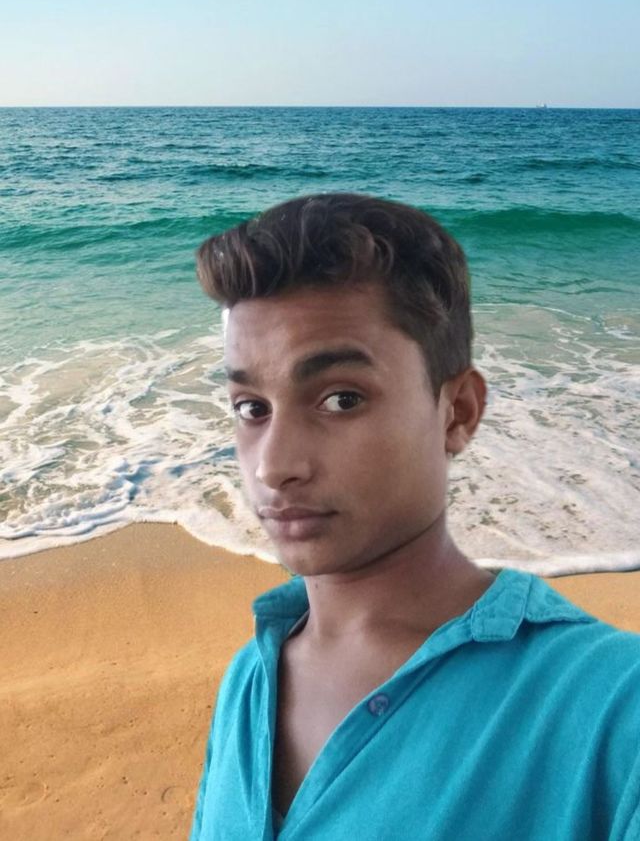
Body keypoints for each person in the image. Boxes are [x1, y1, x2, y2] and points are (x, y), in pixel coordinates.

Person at [189, 194, 640, 840]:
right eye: (251, 408)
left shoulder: (612, 708)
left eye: (341, 399)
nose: (273, 466)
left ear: (458, 411)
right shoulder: (250, 680)